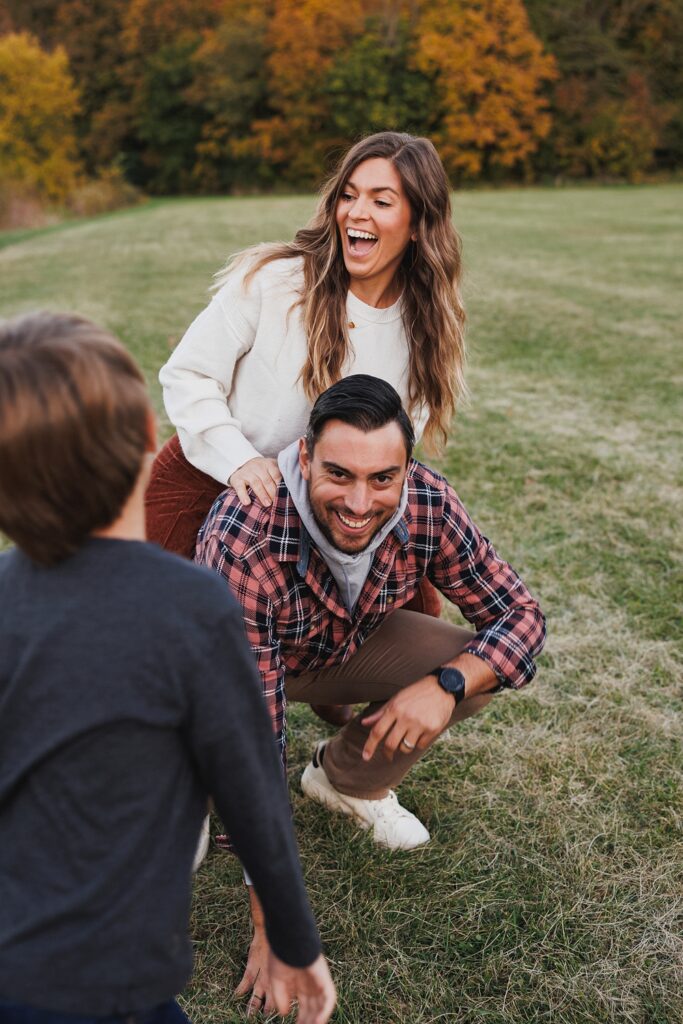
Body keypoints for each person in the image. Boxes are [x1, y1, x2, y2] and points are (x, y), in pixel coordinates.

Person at [0, 312, 336, 1024]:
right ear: (151, 441)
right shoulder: (192, 606)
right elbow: (249, 789)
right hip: (111, 977)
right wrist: (293, 939)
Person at [195, 374, 546, 1008]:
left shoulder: (427, 501)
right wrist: (276, 924)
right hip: (224, 672)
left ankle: (344, 779)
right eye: (339, 474)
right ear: (305, 457)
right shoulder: (247, 534)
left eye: (382, 478)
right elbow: (253, 734)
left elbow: (520, 616)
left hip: (334, 647)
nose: (360, 502)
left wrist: (445, 685)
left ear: (406, 468)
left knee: (471, 673)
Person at [145, 130, 464, 721]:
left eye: (381, 200)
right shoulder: (277, 281)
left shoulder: (425, 324)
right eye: (349, 194)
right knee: (163, 644)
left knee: (420, 612)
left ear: (419, 224)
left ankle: (342, 740)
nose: (357, 212)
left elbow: (400, 442)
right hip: (210, 483)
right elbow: (187, 375)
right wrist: (240, 459)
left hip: (322, 506)